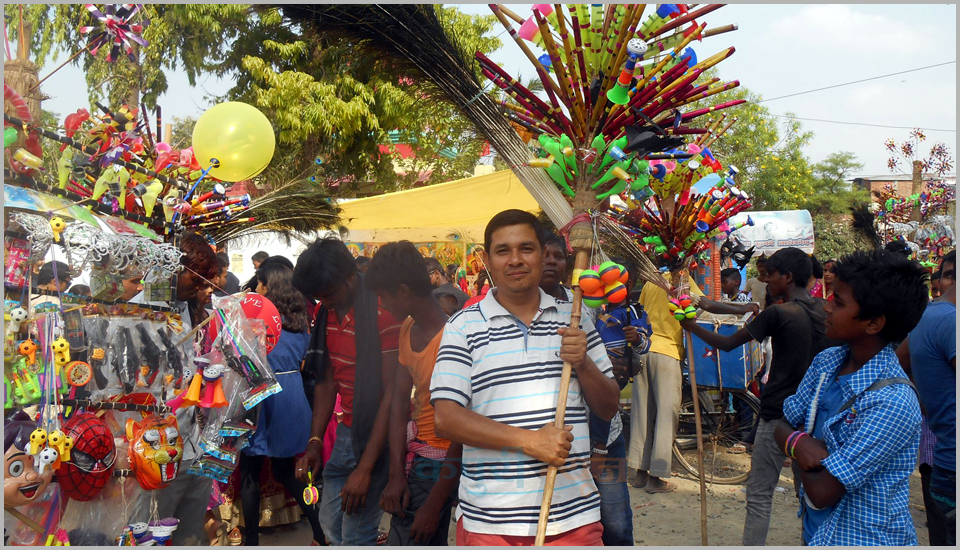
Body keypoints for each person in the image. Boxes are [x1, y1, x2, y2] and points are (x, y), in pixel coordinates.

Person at [430, 209, 619, 544]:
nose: (515, 259)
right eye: (503, 251)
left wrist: (584, 363)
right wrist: (531, 441)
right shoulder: (462, 326)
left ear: (542, 254)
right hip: (490, 524)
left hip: (574, 519)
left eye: (526, 249)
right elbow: (446, 419)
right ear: (487, 259)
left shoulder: (575, 319)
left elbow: (608, 407)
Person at [679, 247, 835, 545]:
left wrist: (691, 326)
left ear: (787, 277)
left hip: (777, 419)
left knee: (760, 495)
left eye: (770, 275)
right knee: (813, 497)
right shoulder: (825, 309)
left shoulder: (779, 313)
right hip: (816, 420)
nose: (766, 281)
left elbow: (727, 344)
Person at [773, 250, 927, 545]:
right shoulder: (827, 362)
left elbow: (822, 492)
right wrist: (800, 443)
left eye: (839, 302)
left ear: (873, 323)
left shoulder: (892, 401)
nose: (827, 308)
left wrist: (795, 442)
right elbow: (781, 427)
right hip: (818, 534)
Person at [292, 239, 402, 546]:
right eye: (318, 297)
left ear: (350, 277)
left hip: (376, 440)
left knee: (355, 536)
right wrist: (314, 443)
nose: (324, 301)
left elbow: (391, 396)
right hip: (346, 433)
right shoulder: (329, 312)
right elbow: (327, 380)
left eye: (328, 294)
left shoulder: (384, 311)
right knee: (330, 526)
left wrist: (366, 468)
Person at [365, 242, 463, 546]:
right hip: (421, 459)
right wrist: (396, 474)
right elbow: (398, 402)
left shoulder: (454, 339)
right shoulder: (407, 328)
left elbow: (462, 427)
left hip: (446, 461)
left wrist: (434, 504)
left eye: (383, 296)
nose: (382, 305)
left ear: (404, 290)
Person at [131, 231, 220, 545]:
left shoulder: (191, 309)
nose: (201, 288)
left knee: (189, 534)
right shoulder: (134, 315)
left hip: (196, 446)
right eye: (195, 279)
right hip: (158, 451)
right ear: (170, 267)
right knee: (151, 533)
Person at [240, 263, 326, 546]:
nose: (257, 288)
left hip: (260, 394)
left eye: (260, 284)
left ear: (269, 286)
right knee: (286, 472)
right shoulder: (299, 320)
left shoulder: (258, 322)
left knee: (250, 473)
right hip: (290, 395)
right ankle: (319, 530)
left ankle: (251, 541)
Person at [585, 257, 651, 546]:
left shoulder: (634, 310)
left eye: (623, 282)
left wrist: (636, 340)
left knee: (616, 519)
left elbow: (645, 346)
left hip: (609, 414)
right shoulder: (590, 308)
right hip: (585, 406)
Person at [896, 249, 955, 545]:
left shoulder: (931, 317)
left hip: (944, 455)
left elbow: (897, 364)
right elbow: (898, 366)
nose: (944, 281)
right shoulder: (948, 321)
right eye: (943, 274)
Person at [630, 268, 703, 494]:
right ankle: (657, 477)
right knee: (666, 414)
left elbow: (641, 311)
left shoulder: (651, 281)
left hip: (644, 349)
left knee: (642, 412)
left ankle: (639, 471)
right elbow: (699, 308)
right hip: (668, 352)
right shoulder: (683, 280)